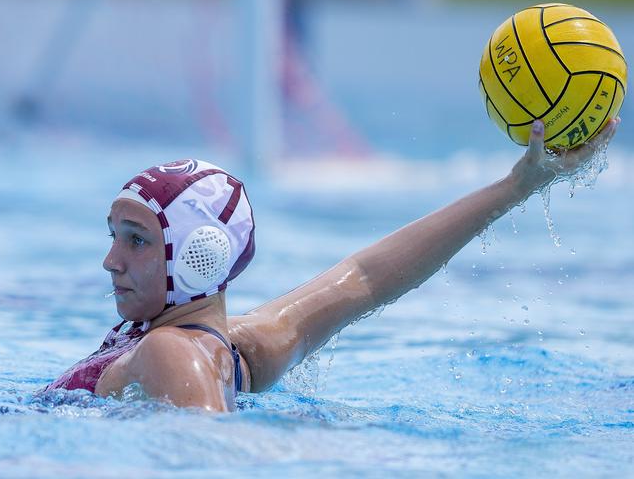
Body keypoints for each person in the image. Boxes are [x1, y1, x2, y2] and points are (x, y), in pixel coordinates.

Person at [45, 119, 619, 411]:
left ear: (199, 257)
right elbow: (366, 278)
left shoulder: (170, 352)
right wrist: (518, 186)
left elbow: (204, 458)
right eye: (114, 236)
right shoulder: (244, 348)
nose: (110, 260)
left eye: (136, 241)